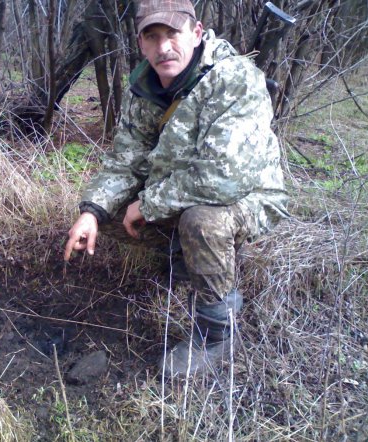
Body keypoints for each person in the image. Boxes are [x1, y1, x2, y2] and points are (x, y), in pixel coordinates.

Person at [63, 0, 289, 377]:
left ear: (196, 33)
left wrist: (149, 204)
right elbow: (125, 159)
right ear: (141, 43)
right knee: (109, 217)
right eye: (152, 37)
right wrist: (92, 211)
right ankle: (184, 260)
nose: (163, 47)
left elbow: (224, 177)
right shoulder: (145, 86)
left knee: (202, 222)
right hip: (181, 186)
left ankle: (217, 330)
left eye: (172, 34)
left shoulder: (234, 79)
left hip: (249, 194)